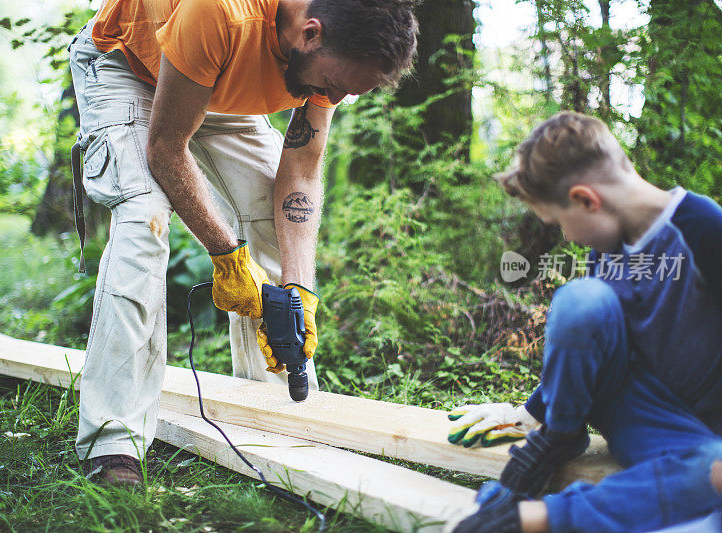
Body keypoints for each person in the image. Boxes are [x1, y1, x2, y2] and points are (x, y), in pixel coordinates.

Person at [67, 0, 418, 485]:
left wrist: (298, 289)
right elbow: (166, 148)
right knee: (143, 222)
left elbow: (301, 170)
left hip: (218, 88)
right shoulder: (218, 12)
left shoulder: (333, 51)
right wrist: (226, 256)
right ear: (310, 34)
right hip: (131, 66)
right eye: (334, 87)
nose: (334, 97)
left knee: (277, 228)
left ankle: (277, 421)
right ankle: (113, 444)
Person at [450, 112, 722, 532]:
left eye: (559, 223)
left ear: (586, 199)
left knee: (711, 473)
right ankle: (561, 433)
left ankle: (538, 518)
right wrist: (530, 413)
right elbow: (591, 332)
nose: (568, 237)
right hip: (632, 411)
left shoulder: (703, 228)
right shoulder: (606, 243)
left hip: (694, 435)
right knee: (581, 299)